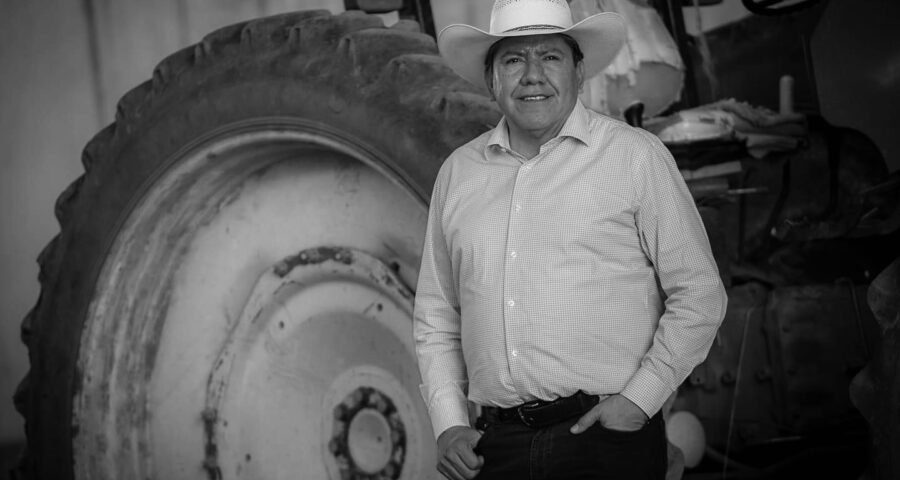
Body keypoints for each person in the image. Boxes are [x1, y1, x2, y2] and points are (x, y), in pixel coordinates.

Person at [413, 0, 727, 478]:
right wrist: (449, 423)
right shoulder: (458, 174)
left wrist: (639, 401)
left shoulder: (633, 157)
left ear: (579, 72)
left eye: (550, 57)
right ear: (492, 80)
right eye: (513, 60)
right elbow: (436, 316)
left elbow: (700, 294)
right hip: (497, 447)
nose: (532, 75)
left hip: (606, 435)